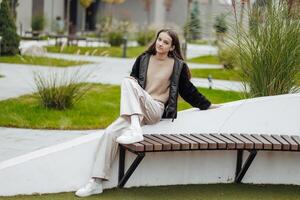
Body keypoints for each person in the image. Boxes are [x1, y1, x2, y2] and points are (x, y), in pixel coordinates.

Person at [75, 28, 218, 197]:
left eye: (166, 42)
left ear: (172, 47)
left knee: (128, 82)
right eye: (159, 40)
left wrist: (207, 105)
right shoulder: (143, 59)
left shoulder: (177, 66)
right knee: (109, 133)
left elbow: (188, 91)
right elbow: (132, 91)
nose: (161, 44)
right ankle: (96, 182)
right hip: (137, 111)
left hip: (155, 109)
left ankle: (135, 129)